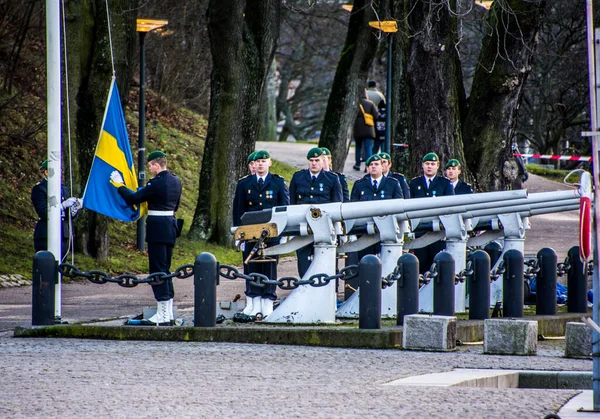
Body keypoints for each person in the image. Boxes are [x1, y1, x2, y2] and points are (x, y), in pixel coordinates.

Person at [110, 150, 182, 326]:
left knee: (157, 271)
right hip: (170, 227)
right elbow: (177, 205)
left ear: (156, 165)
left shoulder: (156, 183)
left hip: (157, 229)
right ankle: (168, 313)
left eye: (150, 165)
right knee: (166, 270)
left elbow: (133, 198)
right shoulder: (176, 181)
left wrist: (119, 185)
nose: (149, 168)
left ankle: (162, 314)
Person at [232, 149, 290, 318]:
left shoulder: (278, 182)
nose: (260, 164)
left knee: (270, 266)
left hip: (271, 233)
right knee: (252, 266)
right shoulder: (244, 184)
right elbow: (238, 210)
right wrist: (239, 233)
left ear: (269, 163)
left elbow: (284, 209)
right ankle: (254, 302)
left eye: (263, 161)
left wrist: (283, 231)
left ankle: (268, 303)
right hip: (250, 233)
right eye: (257, 162)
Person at [289, 147, 343, 277]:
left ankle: (330, 290)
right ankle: (304, 287)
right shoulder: (298, 177)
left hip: (325, 227)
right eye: (311, 160)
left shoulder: (332, 179)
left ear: (322, 161)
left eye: (317, 160)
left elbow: (337, 206)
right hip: (303, 226)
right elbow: (291, 203)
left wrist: (339, 230)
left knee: (326, 260)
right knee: (304, 262)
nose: (314, 163)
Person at [409, 152, 454, 274]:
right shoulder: (414, 183)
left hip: (438, 232)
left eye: (433, 164)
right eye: (427, 164)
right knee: (421, 267)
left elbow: (451, 206)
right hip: (420, 231)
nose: (430, 166)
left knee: (438, 266)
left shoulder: (444, 184)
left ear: (438, 166)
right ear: (422, 165)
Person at [351, 154, 402, 258]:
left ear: (382, 167)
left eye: (376, 164)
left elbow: (399, 208)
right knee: (366, 264)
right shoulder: (360, 185)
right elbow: (352, 209)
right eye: (371, 164)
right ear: (367, 168)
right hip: (365, 233)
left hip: (386, 232)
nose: (373, 166)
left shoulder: (393, 184)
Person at [31, 160, 81, 257]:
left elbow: (67, 215)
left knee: (61, 266)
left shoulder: (63, 189)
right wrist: (62, 206)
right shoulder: (40, 189)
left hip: (63, 233)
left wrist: (74, 210)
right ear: (46, 172)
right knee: (47, 266)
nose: (60, 173)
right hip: (46, 234)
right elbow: (43, 212)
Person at [353, 90, 379, 172]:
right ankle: (368, 166)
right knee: (368, 148)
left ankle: (357, 164)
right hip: (368, 129)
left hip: (358, 129)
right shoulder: (370, 103)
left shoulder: (355, 103)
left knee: (358, 147)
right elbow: (376, 115)